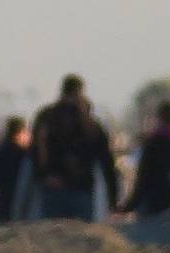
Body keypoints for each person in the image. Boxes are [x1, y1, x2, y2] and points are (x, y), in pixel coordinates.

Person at [30, 75, 119, 222]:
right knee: (81, 236)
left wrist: (43, 175)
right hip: (81, 186)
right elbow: (106, 161)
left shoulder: (46, 118)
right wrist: (113, 198)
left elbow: (36, 151)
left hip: (54, 186)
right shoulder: (90, 123)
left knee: (52, 237)